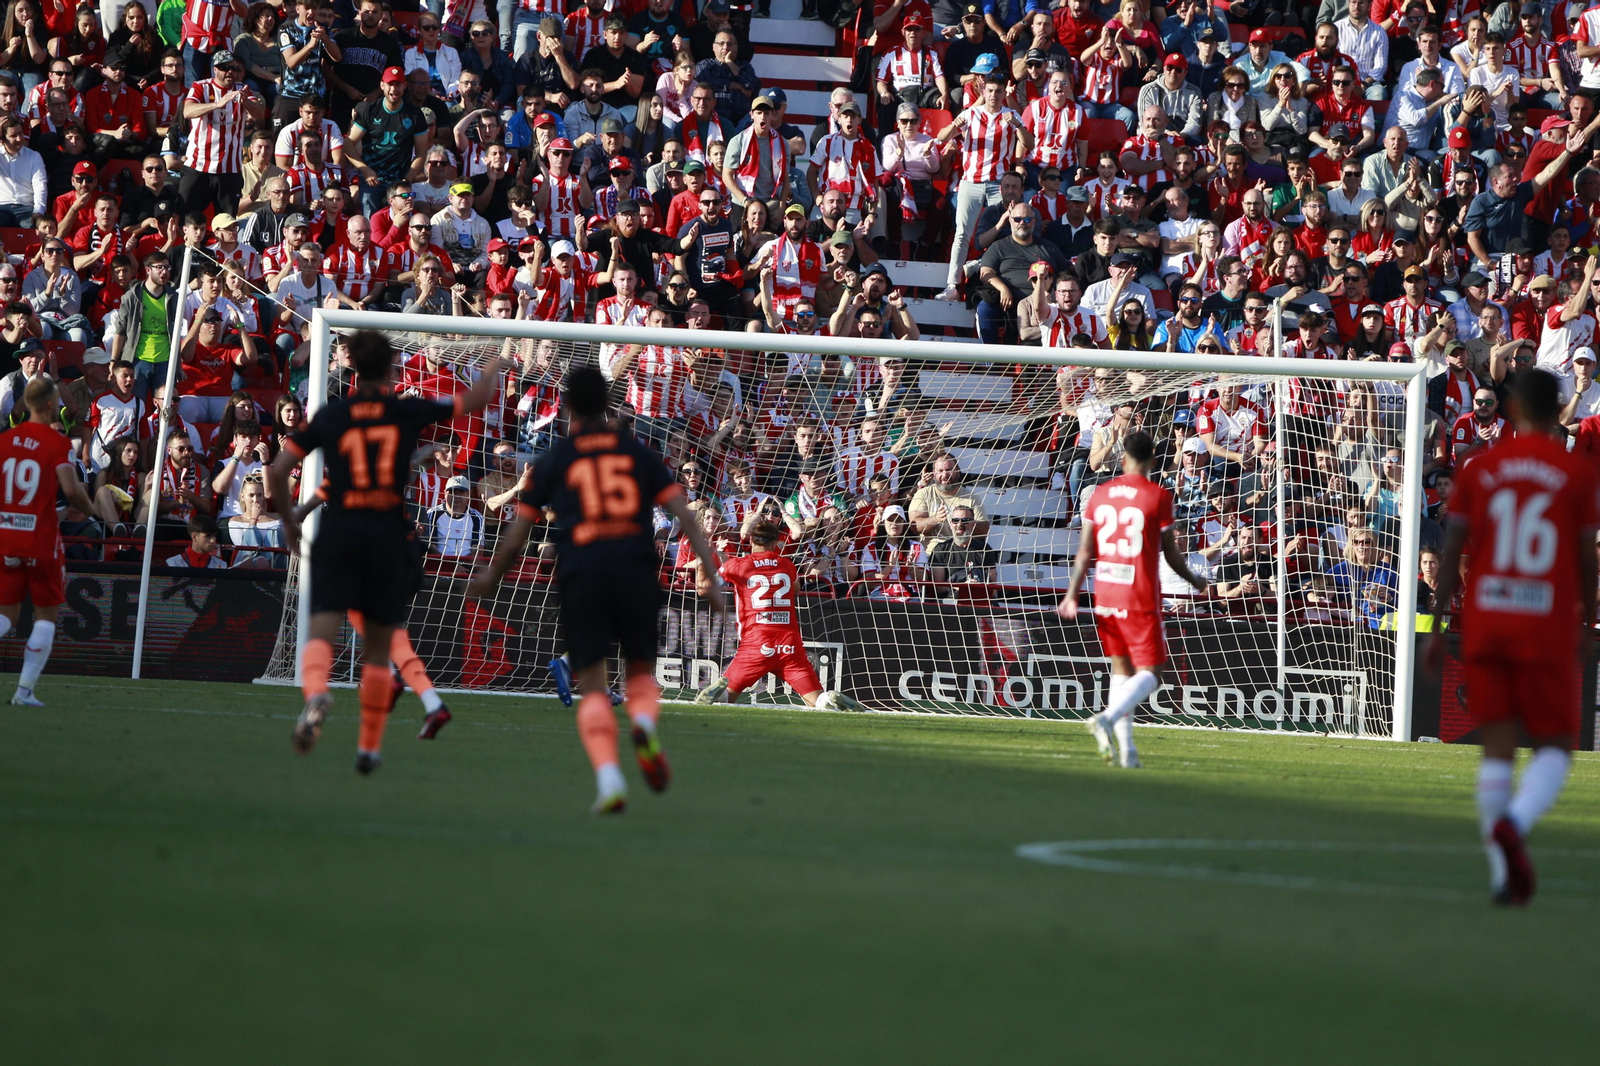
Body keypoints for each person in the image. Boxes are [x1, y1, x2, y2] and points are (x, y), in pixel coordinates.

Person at [467, 366, 723, 814]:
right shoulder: (636, 453)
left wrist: (492, 574)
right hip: (636, 566)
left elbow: (518, 530)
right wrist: (712, 576)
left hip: (583, 567)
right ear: (607, 404)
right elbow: (684, 514)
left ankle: (609, 779)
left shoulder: (557, 458)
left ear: (567, 407)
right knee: (639, 670)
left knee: (592, 681)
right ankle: (643, 724)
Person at [266, 331, 508, 775]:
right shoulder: (405, 411)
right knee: (378, 651)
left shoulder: (332, 414)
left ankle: (316, 690)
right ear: (392, 365)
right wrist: (495, 356)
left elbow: (278, 471)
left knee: (321, 631)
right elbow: (479, 398)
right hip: (386, 536)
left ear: (354, 366)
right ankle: (369, 748)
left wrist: (289, 521)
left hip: (339, 533)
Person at [1426, 368, 1600, 906]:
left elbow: (1452, 550)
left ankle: (1504, 875)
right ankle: (1516, 824)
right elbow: (1586, 556)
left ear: (1516, 410)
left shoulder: (1481, 468)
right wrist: (1588, 619)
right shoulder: (1576, 472)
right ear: (1560, 411)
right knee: (1553, 746)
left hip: (1485, 616)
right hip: (1543, 619)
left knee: (1496, 750)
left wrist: (1436, 624)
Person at [1060, 428, 1207, 768]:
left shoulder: (1100, 494)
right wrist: (1196, 579)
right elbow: (1171, 556)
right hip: (1138, 593)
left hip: (1105, 590)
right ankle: (1108, 719)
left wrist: (1072, 595)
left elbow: (1085, 552)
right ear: (1153, 460)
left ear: (1123, 458)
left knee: (1121, 671)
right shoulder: (1157, 496)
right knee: (1152, 673)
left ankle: (1127, 753)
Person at [696, 518, 863, 709]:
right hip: (788, 643)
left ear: (751, 541)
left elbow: (703, 589)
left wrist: (703, 556)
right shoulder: (787, 565)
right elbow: (795, 588)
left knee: (724, 701)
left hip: (757, 642)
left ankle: (721, 695)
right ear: (775, 543)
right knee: (815, 701)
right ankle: (827, 700)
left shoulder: (737, 564)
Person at [0, 376, 95, 707]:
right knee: (44, 617)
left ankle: (24, 693)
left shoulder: (5, 440)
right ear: (52, 403)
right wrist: (91, 508)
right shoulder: (57, 443)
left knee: (6, 616)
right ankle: (23, 692)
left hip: (6, 536)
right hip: (40, 538)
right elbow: (70, 491)